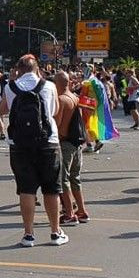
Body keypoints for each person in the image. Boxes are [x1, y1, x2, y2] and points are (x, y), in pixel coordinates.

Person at [1, 55, 67, 247]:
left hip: (19, 144)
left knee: (26, 190)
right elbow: (55, 110)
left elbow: (2, 110)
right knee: (51, 189)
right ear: (37, 69)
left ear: (18, 70)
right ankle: (55, 232)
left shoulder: (10, 87)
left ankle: (28, 234)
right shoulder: (49, 86)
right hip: (48, 143)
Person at [55, 70, 91, 226]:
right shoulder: (75, 98)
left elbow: (57, 124)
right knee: (75, 178)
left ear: (57, 84)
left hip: (65, 143)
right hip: (77, 143)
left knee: (63, 179)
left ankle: (69, 213)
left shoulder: (61, 99)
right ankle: (82, 211)